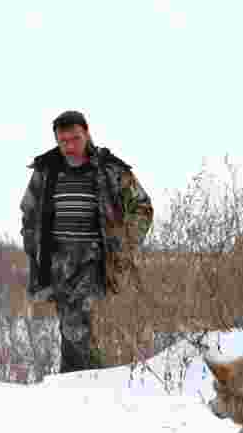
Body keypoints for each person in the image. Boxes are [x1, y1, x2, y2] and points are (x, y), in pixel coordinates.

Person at [19, 110, 154, 373]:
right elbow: (29, 211)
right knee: (71, 328)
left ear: (87, 133)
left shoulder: (110, 169)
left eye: (75, 139)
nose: (69, 146)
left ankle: (86, 386)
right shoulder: (46, 170)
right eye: (63, 141)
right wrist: (32, 245)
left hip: (96, 262)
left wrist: (123, 247)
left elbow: (142, 208)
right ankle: (78, 388)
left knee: (80, 326)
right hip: (57, 263)